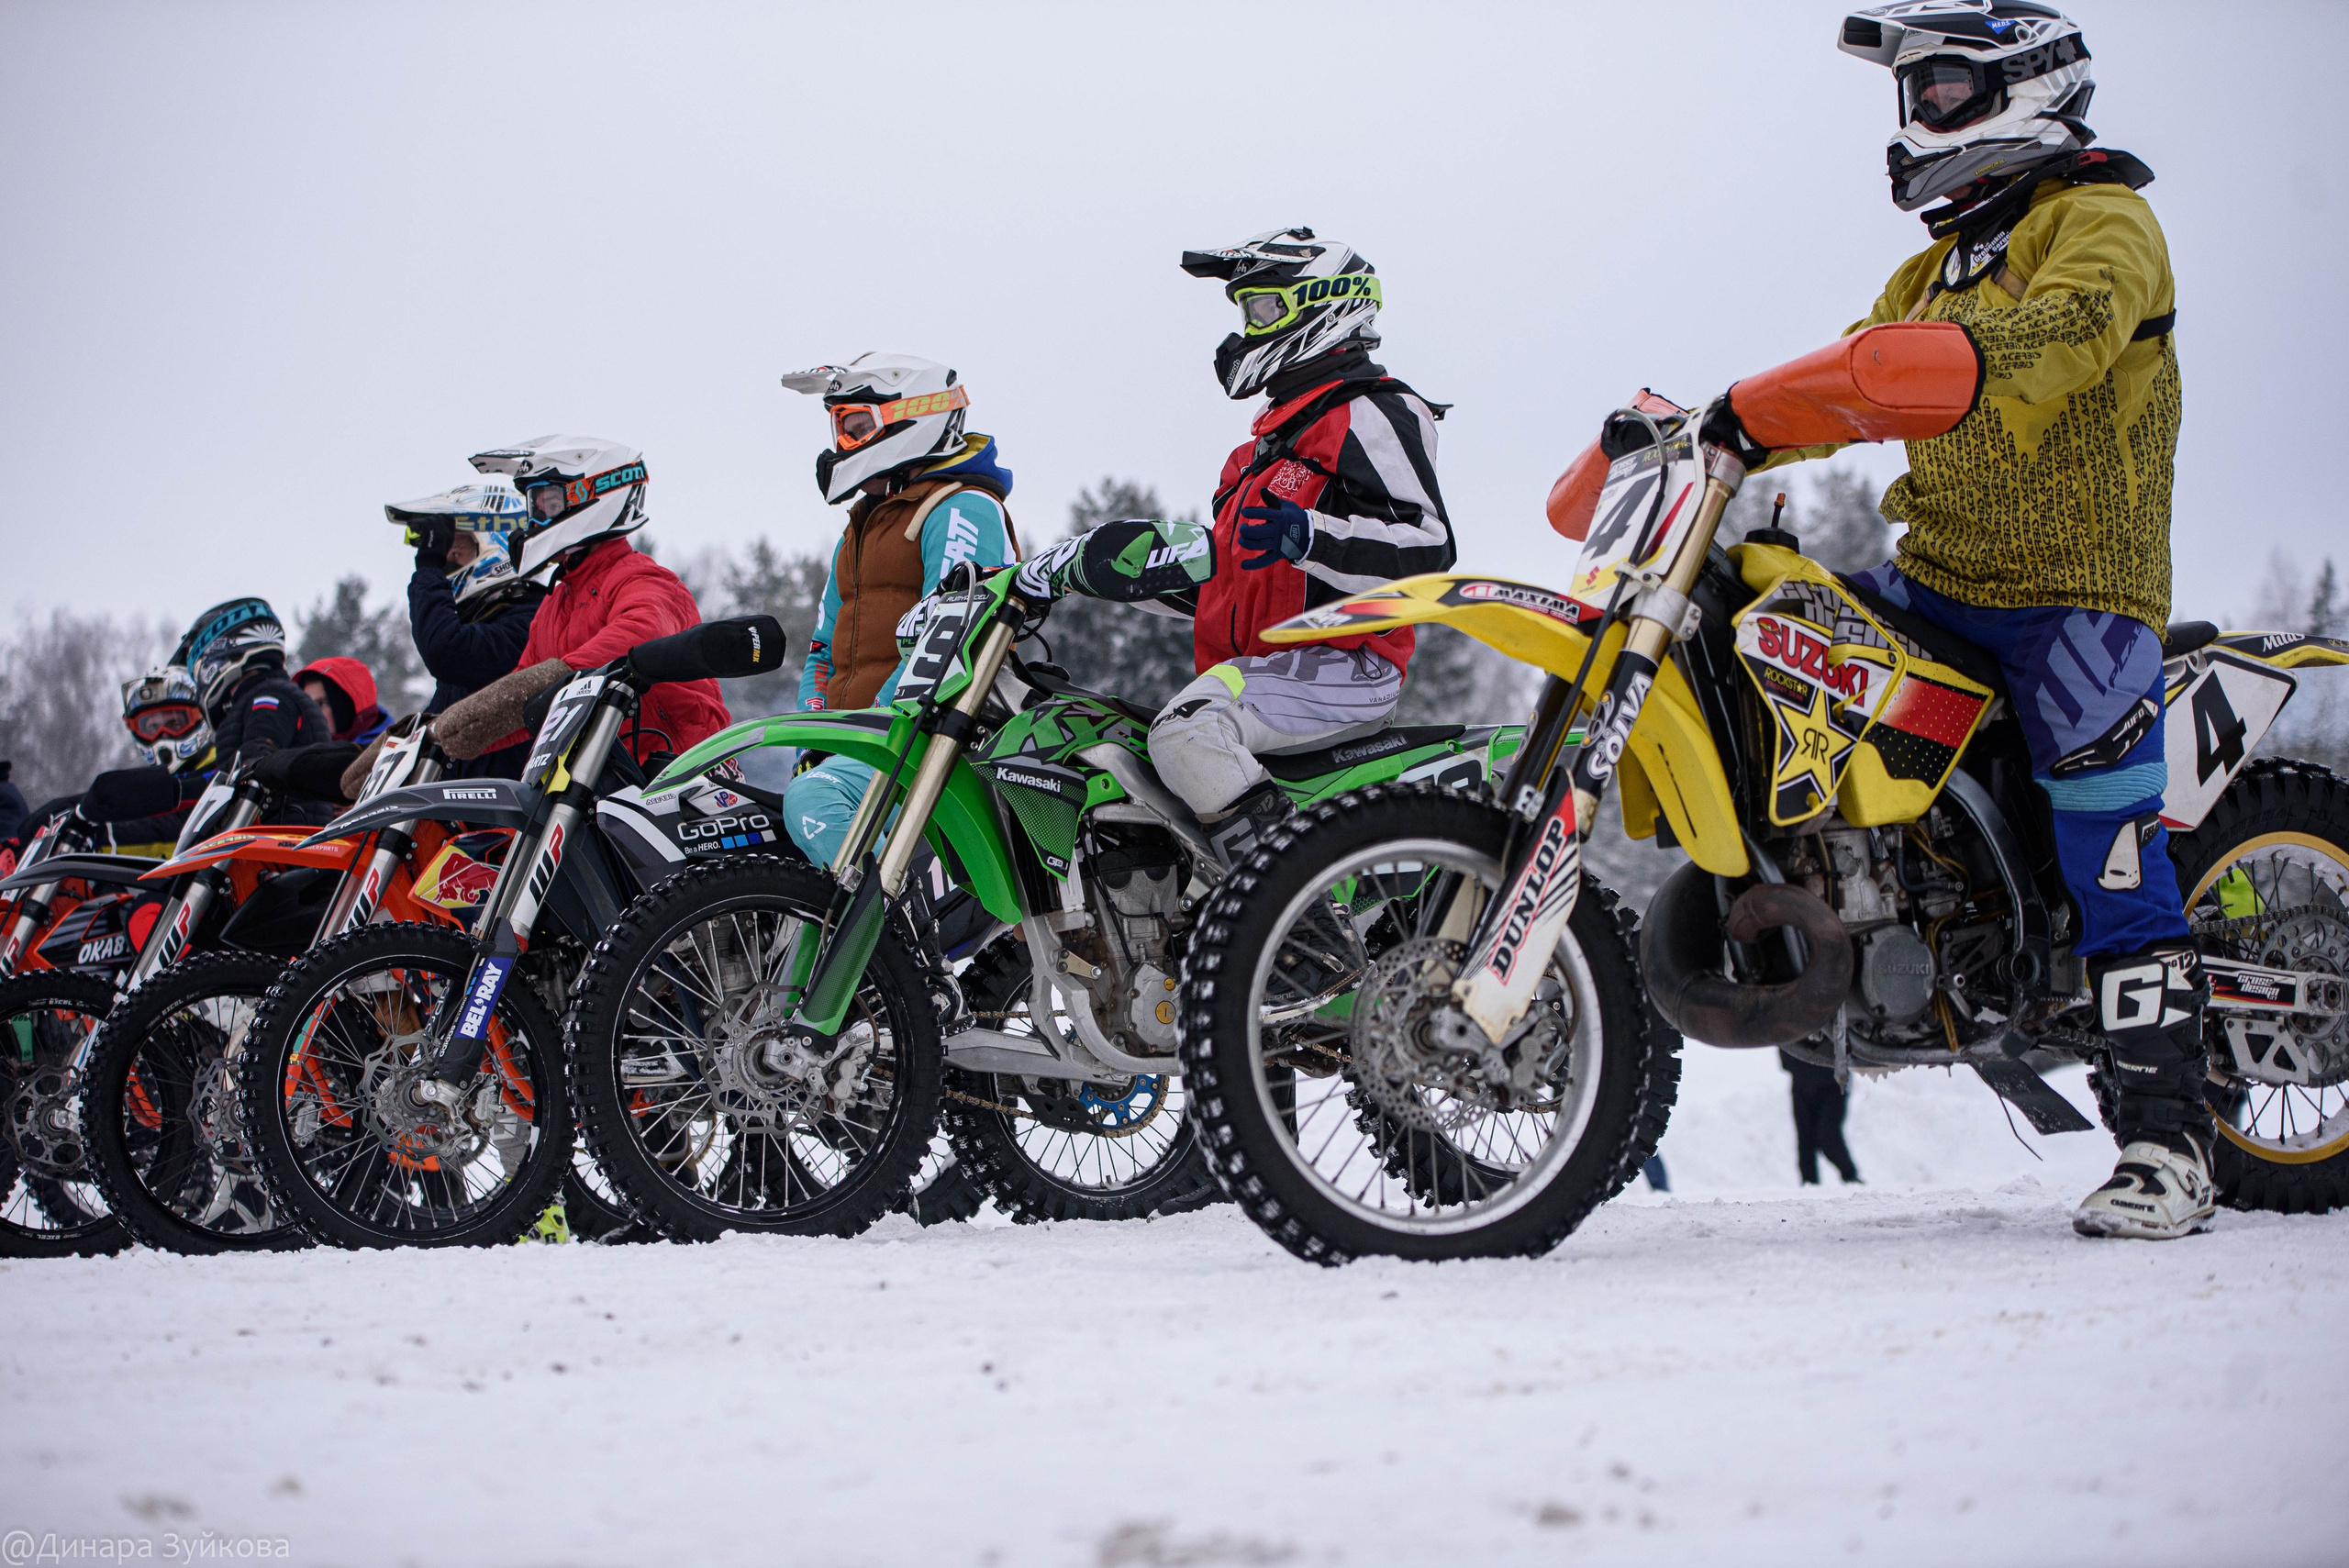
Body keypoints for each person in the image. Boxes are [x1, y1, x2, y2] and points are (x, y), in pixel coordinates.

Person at [1709, 4, 2203, 1237]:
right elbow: (1857, 376)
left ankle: (2168, 1145)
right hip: (1939, 584)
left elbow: (2065, 334)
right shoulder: (1930, 269)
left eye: (1936, 89)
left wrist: (1923, 359)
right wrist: (1729, 425)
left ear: (2027, 86)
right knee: (1762, 637)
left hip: (2076, 596)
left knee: (2111, 850)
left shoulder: (2101, 219)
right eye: (1911, 94)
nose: (1914, 117)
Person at [1012, 228, 1453, 867]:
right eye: (1245, 310)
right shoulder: (1251, 459)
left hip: (1346, 662)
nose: (1249, 326)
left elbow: (1428, 546)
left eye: (1265, 307)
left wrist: (1311, 537)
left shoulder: (1369, 411)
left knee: (1188, 731)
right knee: (1126, 753)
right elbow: (1225, 578)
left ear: (1326, 305)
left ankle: (1290, 918)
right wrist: (1101, 579)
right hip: (1264, 670)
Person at [774, 355, 1017, 866]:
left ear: (913, 417)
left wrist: (861, 734)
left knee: (814, 801)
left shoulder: (960, 507)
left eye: (855, 427)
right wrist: (813, 743)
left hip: (936, 742)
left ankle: (897, 939)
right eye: (840, 430)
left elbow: (945, 639)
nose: (841, 446)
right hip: (868, 742)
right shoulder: (861, 527)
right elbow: (823, 653)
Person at [434, 437, 728, 769]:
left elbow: (641, 634)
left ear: (592, 496)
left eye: (548, 504)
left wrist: (558, 676)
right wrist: (465, 729)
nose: (535, 519)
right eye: (534, 506)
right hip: (590, 776)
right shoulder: (555, 603)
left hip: (676, 769)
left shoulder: (643, 579)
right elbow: (525, 688)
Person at [392, 478, 547, 778]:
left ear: (494, 547)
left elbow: (444, 649)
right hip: (460, 809)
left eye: (453, 555)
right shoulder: (484, 618)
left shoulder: (529, 618)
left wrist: (428, 567)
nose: (445, 567)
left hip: (507, 812)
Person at [1780, 1051, 1862, 1186]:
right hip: (1802, 1081)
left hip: (1833, 1082)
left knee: (1828, 1135)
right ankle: (1809, 1186)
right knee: (1805, 1138)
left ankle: (1851, 1177)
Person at [295, 657, 391, 746]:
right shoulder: (297, 757)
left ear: (348, 705)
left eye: (322, 703)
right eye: (307, 706)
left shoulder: (394, 754)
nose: (312, 714)